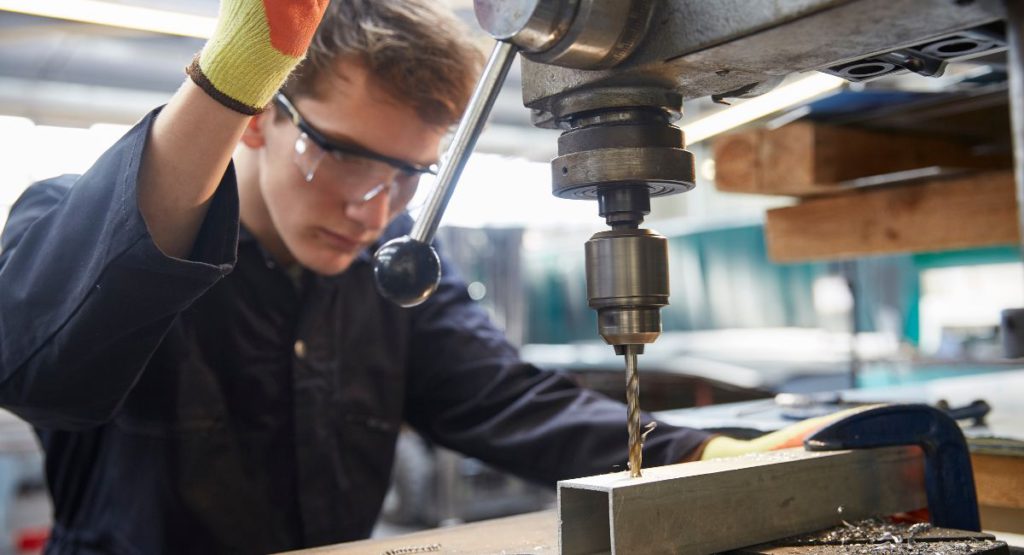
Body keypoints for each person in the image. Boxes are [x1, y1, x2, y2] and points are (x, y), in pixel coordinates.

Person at [0, 1, 846, 552]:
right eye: (343, 157)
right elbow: (40, 370)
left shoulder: (391, 266)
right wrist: (226, 81)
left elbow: (505, 400)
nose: (377, 206)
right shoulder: (74, 218)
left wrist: (698, 451)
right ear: (257, 118)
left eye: (410, 175)